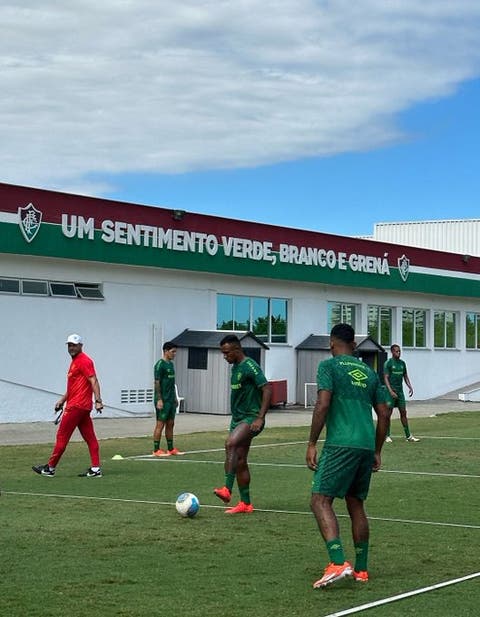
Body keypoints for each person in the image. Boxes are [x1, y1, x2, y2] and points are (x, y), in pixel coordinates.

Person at [306, 323, 389, 588]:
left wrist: (311, 442)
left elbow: (323, 403)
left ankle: (338, 562)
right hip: (365, 445)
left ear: (331, 343)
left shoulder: (328, 367)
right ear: (353, 345)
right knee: (355, 504)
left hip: (341, 443)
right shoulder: (369, 372)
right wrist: (377, 449)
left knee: (320, 500)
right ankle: (362, 570)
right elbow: (385, 413)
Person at [213, 334, 272, 514]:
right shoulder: (236, 367)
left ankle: (227, 489)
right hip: (237, 419)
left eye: (227, 353)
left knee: (230, 443)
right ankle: (245, 504)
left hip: (251, 418)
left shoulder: (250, 366)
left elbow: (267, 388)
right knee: (240, 461)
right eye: (223, 353)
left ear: (237, 349)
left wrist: (260, 417)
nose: (225, 357)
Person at [32, 333, 104, 477]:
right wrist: (62, 400)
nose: (71, 348)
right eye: (69, 345)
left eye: (74, 345)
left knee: (62, 436)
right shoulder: (76, 361)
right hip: (80, 406)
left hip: (76, 407)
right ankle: (96, 469)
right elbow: (74, 387)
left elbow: (94, 380)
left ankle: (50, 468)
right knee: (90, 438)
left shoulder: (84, 360)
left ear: (80, 346)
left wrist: (98, 400)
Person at [152, 341, 184, 456]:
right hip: (163, 400)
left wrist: (175, 397)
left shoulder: (171, 364)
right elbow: (157, 382)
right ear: (166, 351)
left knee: (171, 423)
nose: (174, 354)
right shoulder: (160, 365)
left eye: (175, 352)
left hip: (171, 400)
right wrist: (159, 399)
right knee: (160, 424)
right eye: (173, 351)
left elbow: (172, 382)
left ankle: (171, 448)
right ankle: (156, 450)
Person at [383, 344, 419, 443]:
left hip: (400, 392)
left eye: (399, 351)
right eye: (396, 351)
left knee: (403, 412)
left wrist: (410, 386)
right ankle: (387, 435)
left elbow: (405, 376)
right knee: (388, 413)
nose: (398, 353)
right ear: (392, 352)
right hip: (391, 391)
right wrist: (390, 391)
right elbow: (385, 378)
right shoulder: (388, 363)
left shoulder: (402, 363)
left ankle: (408, 436)